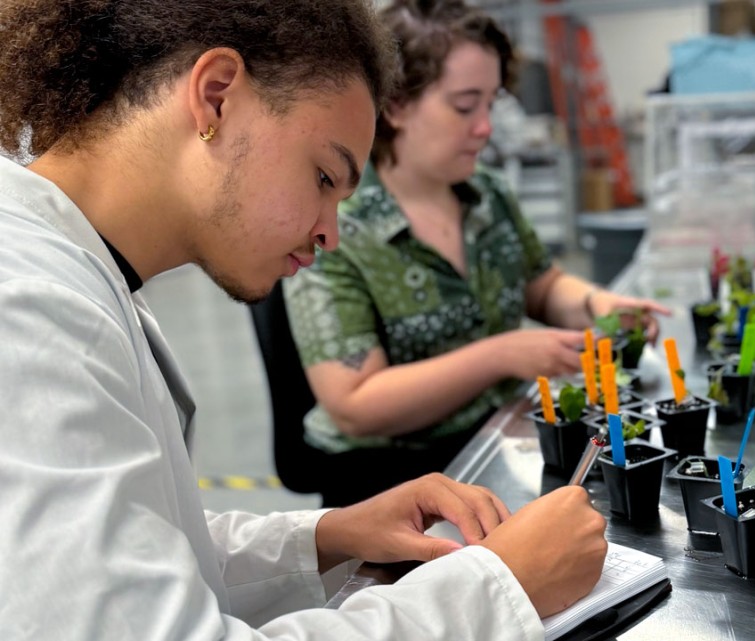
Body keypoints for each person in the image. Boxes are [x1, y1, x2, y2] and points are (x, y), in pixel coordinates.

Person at [0, 1, 606, 639]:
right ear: (215, 98)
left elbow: (140, 558)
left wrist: (328, 535)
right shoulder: (29, 309)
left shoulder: (85, 272)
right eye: (323, 176)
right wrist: (495, 589)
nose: (331, 235)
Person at [284, 0, 670, 506]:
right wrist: (501, 355)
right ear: (396, 104)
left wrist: (598, 304)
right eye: (466, 106)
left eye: (491, 104)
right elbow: (355, 403)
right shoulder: (339, 224)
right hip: (385, 480)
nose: (485, 127)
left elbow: (544, 285)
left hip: (491, 438)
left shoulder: (486, 192)